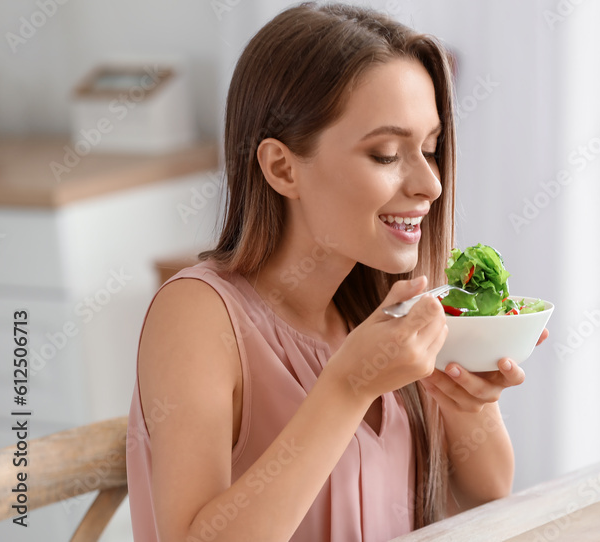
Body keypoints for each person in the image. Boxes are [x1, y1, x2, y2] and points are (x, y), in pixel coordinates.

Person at [125, 3, 547, 541]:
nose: (431, 185)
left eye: (431, 149)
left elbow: (485, 496)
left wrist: (470, 401)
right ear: (282, 167)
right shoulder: (198, 315)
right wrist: (347, 388)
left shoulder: (383, 308)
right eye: (387, 154)